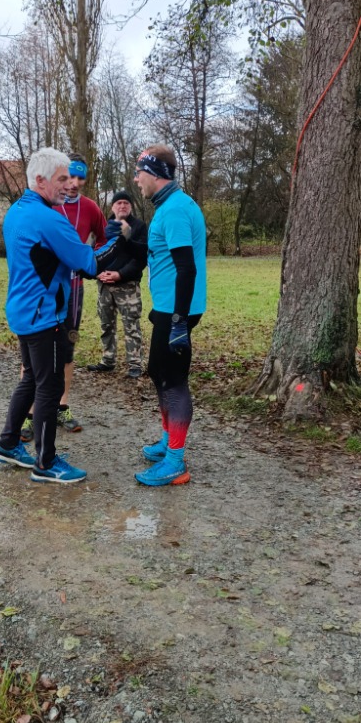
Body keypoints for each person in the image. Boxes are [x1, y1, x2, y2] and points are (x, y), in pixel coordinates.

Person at [0, 147, 131, 485]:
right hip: (44, 315)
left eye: (71, 178)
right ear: (40, 180)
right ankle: (46, 461)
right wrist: (118, 240)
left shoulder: (17, 210)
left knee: (31, 378)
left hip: (23, 309)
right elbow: (89, 264)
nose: (70, 185)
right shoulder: (49, 218)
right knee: (50, 385)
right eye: (62, 179)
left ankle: (8, 443)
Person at [20, 152, 107, 441]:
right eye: (69, 177)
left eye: (80, 178)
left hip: (74, 289)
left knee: (67, 348)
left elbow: (104, 239)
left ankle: (62, 406)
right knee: (35, 352)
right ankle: (30, 413)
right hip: (43, 291)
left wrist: (90, 260)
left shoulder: (91, 207)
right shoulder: (45, 206)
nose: (74, 183)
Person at [133, 145, 206, 487]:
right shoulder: (168, 207)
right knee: (158, 372)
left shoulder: (175, 209)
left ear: (154, 173)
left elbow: (186, 269)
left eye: (139, 173)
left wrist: (178, 322)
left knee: (173, 382)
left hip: (177, 311)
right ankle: (167, 441)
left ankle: (176, 462)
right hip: (166, 307)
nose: (137, 180)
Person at [87, 190, 148, 379]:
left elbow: (141, 258)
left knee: (131, 324)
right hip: (104, 284)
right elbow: (90, 251)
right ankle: (108, 360)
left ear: (131, 206)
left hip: (127, 285)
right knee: (106, 324)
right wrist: (97, 273)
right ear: (112, 206)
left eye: (126, 203)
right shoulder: (103, 227)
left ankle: (135, 364)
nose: (122, 206)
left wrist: (119, 274)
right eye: (118, 203)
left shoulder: (139, 227)